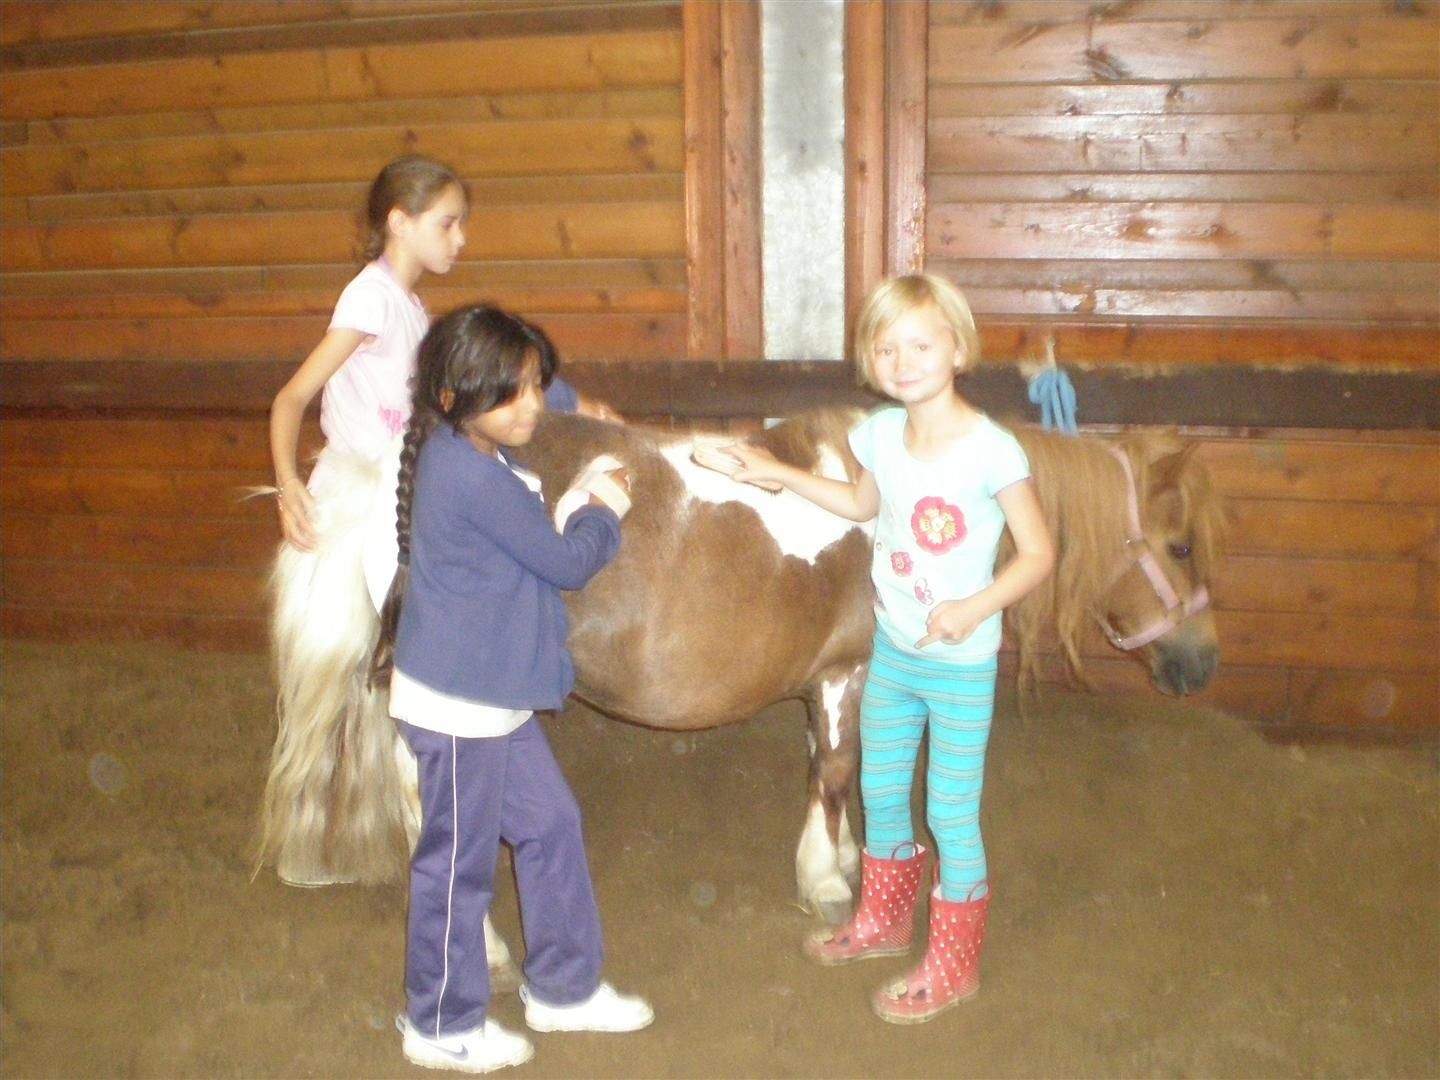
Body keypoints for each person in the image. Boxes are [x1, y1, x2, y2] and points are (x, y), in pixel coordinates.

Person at [726, 273, 1054, 1025]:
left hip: (959, 666)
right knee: (879, 792)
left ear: (958, 349)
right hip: (895, 655)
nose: (902, 362)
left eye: (920, 345)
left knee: (951, 812)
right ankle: (884, 920)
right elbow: (861, 504)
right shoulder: (877, 433)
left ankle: (954, 963)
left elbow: (1038, 553)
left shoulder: (993, 451)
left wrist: (973, 608)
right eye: (885, 349)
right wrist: (776, 473)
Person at [369, 305, 653, 1073]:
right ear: (455, 396)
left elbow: (521, 411)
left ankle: (563, 989)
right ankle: (439, 1022)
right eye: (513, 392)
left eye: (536, 384)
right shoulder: (469, 475)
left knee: (551, 823)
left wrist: (569, 403)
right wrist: (604, 508)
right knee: (456, 866)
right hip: (461, 708)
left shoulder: (462, 441)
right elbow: (566, 563)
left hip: (488, 695)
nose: (531, 405)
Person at [268, 154, 619, 551]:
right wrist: (287, 484)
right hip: (358, 506)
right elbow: (291, 397)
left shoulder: (412, 308)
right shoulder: (370, 299)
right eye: (447, 224)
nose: (461, 238)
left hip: (395, 492)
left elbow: (484, 379)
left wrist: (573, 403)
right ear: (400, 222)